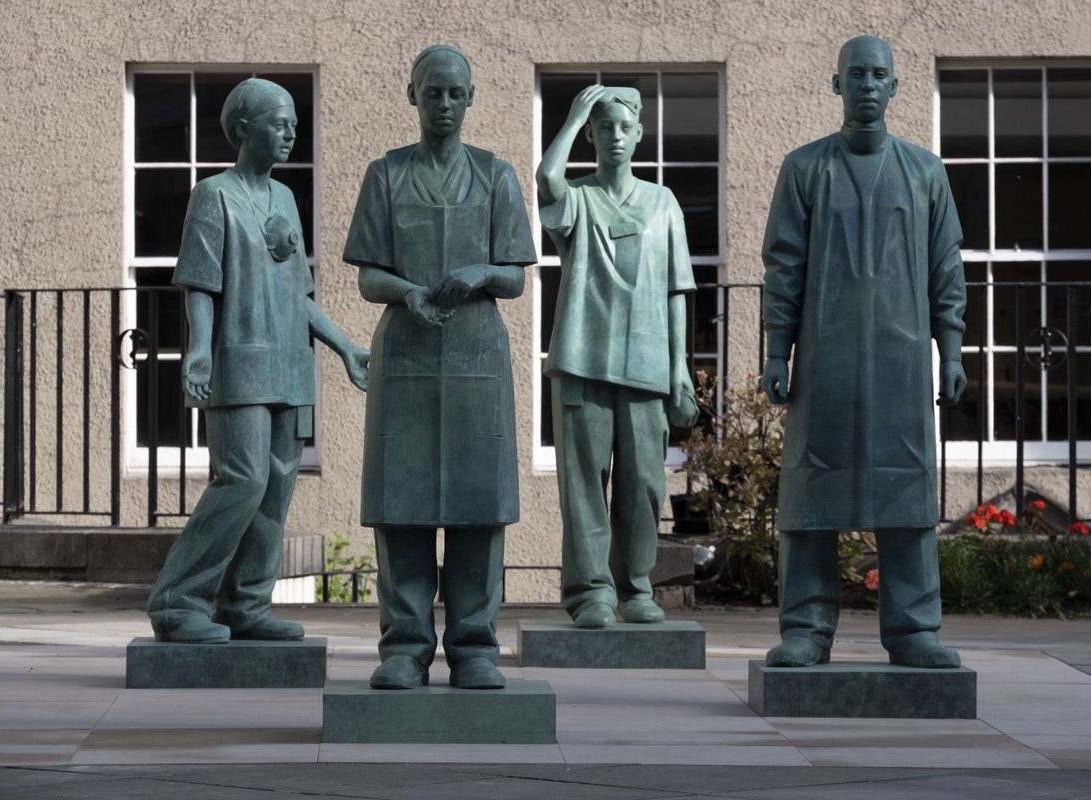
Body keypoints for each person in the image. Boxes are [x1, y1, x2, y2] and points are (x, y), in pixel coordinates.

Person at [761, 36, 968, 668]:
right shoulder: (804, 169)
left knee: (905, 494)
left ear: (896, 87)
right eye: (857, 74)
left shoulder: (925, 172)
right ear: (837, 86)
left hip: (902, 365)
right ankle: (806, 626)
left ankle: (912, 629)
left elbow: (946, 266)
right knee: (812, 495)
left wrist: (952, 350)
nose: (868, 85)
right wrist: (777, 351)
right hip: (824, 362)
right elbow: (783, 266)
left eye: (880, 74)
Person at [148, 78, 370, 644]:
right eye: (279, 122)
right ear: (244, 129)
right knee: (241, 482)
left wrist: (345, 347)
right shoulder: (214, 195)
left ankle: (247, 604)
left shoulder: (288, 200)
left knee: (275, 490)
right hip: (240, 364)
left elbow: (300, 296)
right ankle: (177, 601)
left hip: (291, 369)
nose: (291, 131)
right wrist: (198, 352)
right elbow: (200, 282)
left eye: (294, 123)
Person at [342, 45, 536, 690]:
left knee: (479, 506)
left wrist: (482, 271)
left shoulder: (496, 176)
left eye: (456, 93)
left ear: (472, 97)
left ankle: (475, 645)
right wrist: (406, 292)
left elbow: (515, 276)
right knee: (403, 505)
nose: (445, 104)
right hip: (407, 354)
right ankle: (404, 646)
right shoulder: (386, 174)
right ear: (413, 96)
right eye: (433, 93)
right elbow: (367, 274)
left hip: (478, 356)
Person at [537, 85, 699, 630]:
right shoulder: (577, 198)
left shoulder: (664, 203)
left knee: (645, 483)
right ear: (591, 134)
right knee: (584, 483)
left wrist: (679, 368)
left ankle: (635, 586)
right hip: (583, 359)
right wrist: (574, 113)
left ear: (640, 134)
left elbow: (678, 290)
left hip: (649, 363)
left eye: (624, 127)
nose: (615, 137)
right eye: (603, 127)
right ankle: (590, 593)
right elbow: (546, 181)